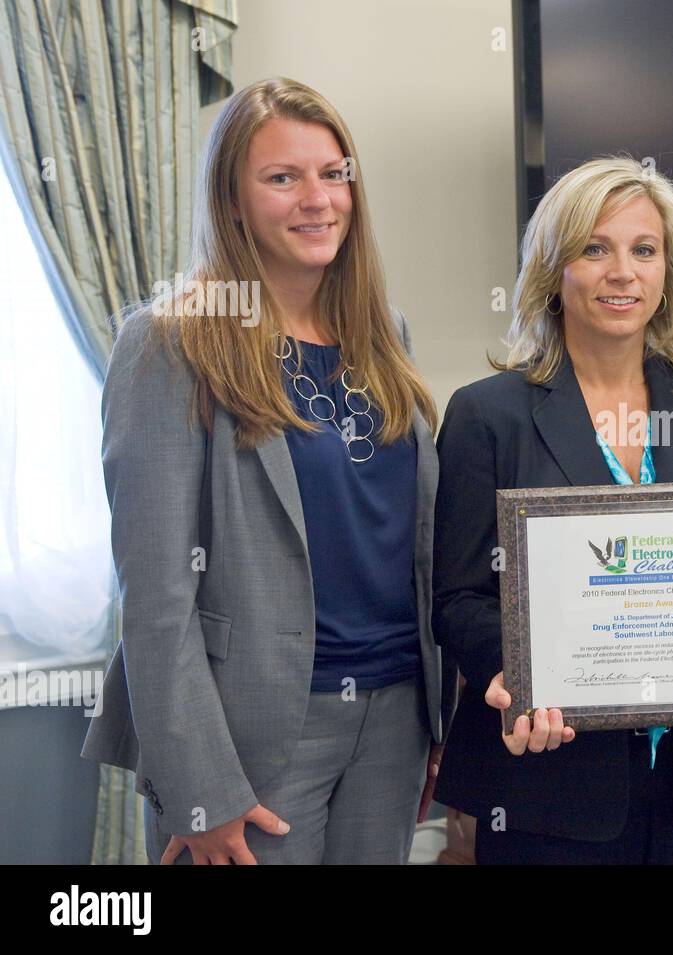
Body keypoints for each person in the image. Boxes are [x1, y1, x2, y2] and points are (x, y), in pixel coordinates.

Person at [81, 78, 453, 864]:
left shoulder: (385, 333)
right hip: (252, 730)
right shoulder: (168, 345)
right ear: (234, 200)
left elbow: (413, 542)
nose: (317, 199)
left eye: (333, 174)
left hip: (394, 718)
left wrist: (439, 721)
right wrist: (198, 785)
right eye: (283, 178)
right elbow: (154, 596)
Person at [432, 156, 673, 864]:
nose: (622, 271)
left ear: (669, 270)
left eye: (644, 250)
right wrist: (516, 675)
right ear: (554, 269)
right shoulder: (488, 415)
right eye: (594, 248)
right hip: (552, 776)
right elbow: (457, 599)